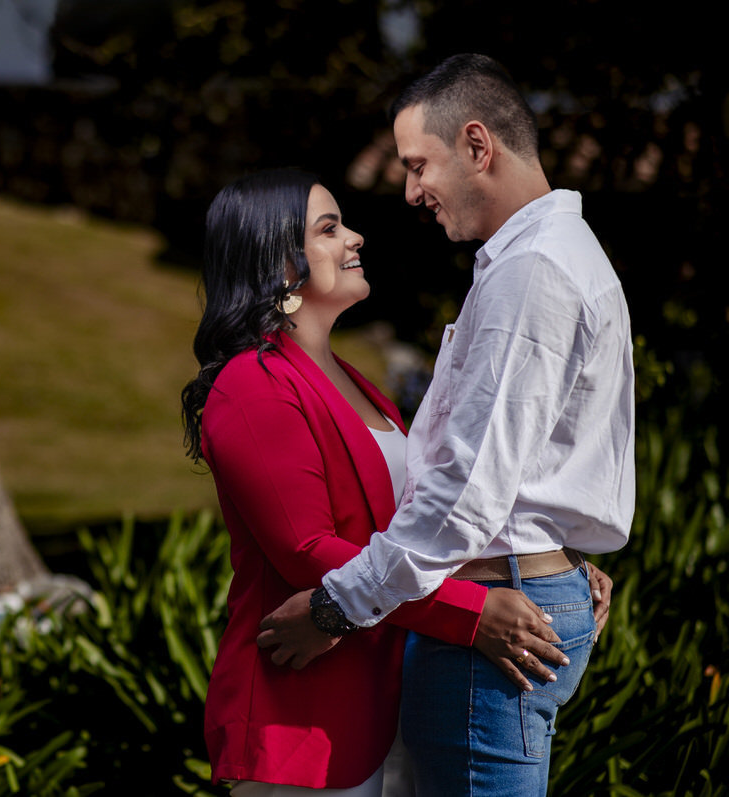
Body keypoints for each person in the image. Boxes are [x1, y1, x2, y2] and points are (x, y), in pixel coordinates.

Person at [257, 54, 632, 796]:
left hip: (492, 621)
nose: (409, 190)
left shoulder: (535, 272)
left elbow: (465, 494)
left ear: (477, 145)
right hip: (515, 591)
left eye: (418, 164)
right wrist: (555, 550)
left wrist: (335, 608)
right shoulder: (544, 259)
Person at [181, 168, 575, 797]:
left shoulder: (353, 380)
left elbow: (422, 520)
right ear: (279, 262)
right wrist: (471, 613)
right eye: (329, 228)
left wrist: (548, 560)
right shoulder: (252, 384)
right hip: (305, 715)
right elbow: (305, 550)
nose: (355, 237)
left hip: (387, 698)